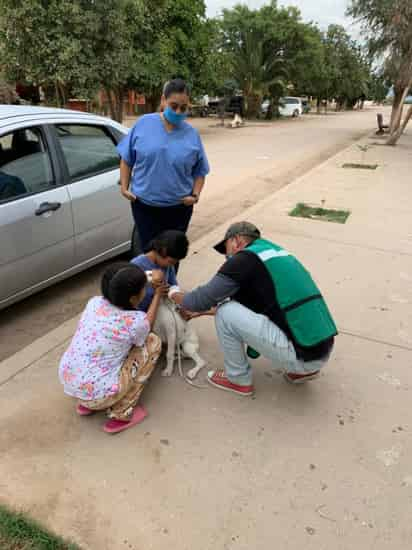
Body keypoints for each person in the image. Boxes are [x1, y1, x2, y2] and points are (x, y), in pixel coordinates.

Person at [169, 222, 337, 396]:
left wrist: (173, 293)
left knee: (225, 312)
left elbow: (199, 300)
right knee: (229, 307)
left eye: (225, 248)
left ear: (236, 241)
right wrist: (202, 312)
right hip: (322, 348)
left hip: (304, 356)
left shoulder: (244, 259)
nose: (226, 256)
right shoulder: (274, 253)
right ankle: (303, 370)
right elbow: (243, 305)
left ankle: (238, 379)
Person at [58, 262, 168, 433]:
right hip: (101, 395)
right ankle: (122, 413)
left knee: (105, 349)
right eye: (143, 288)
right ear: (133, 298)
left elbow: (118, 280)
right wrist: (157, 295)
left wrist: (148, 275)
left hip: (71, 382)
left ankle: (87, 405)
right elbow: (147, 327)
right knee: (153, 342)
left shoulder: (94, 303)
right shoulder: (135, 321)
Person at [117, 78, 210, 255]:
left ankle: (170, 283)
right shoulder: (144, 124)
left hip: (178, 210)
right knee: (150, 255)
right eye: (173, 105)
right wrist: (124, 187)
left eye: (183, 108)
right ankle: (151, 283)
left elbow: (200, 170)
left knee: (171, 255)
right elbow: (127, 158)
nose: (178, 111)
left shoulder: (192, 134)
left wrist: (195, 195)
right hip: (145, 207)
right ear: (163, 100)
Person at [131, 230, 189, 315]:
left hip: (158, 309)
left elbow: (173, 285)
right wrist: (150, 281)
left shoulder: (168, 265)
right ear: (163, 251)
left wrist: (178, 300)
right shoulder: (136, 265)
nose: (173, 265)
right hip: (139, 314)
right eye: (171, 261)